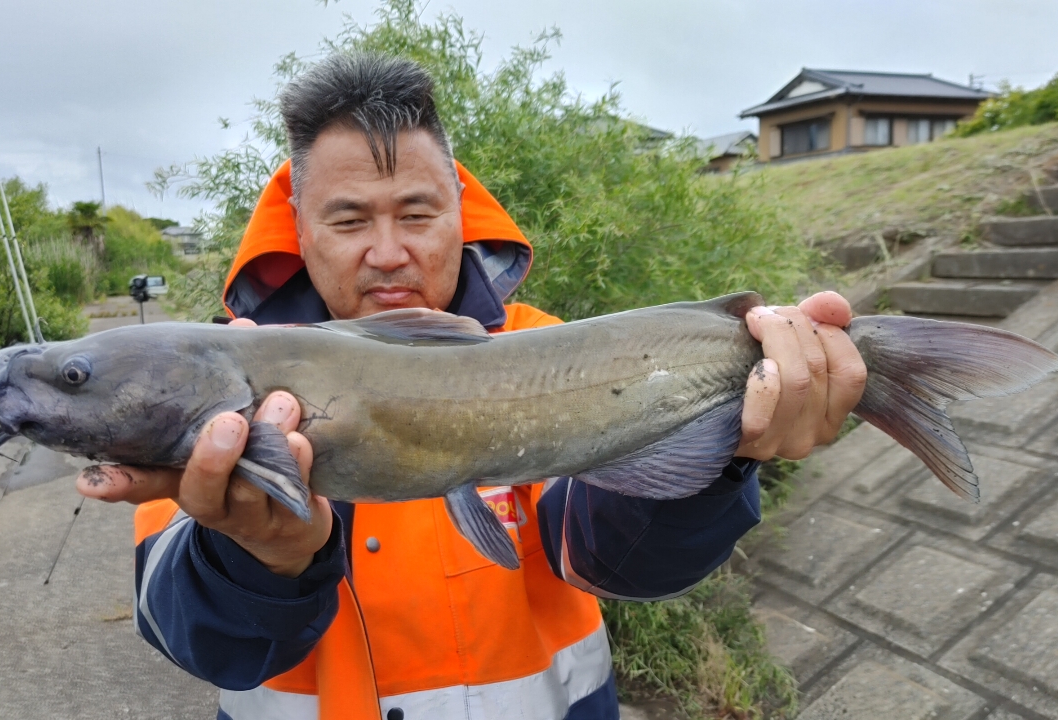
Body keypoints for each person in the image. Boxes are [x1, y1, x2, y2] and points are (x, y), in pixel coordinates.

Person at [75, 53, 866, 720]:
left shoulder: (543, 349)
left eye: (416, 213)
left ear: (461, 207)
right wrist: (259, 559)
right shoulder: (217, 391)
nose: (388, 252)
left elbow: (613, 558)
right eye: (350, 221)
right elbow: (194, 638)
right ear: (298, 227)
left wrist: (715, 463)